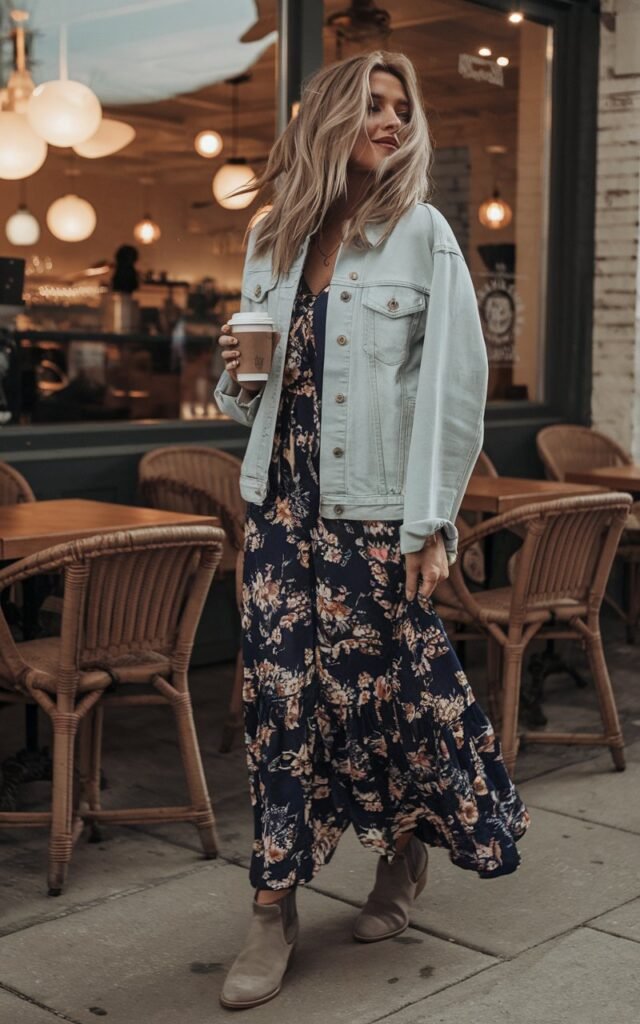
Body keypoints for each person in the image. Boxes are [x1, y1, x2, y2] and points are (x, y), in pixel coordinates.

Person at [214, 50, 530, 1011]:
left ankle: (400, 865)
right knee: (281, 708)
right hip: (280, 514)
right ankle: (272, 908)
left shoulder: (423, 233)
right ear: (334, 114)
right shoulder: (273, 236)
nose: (393, 121)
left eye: (404, 107)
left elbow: (454, 392)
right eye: (376, 105)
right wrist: (236, 373)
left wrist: (431, 525)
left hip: (375, 516)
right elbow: (254, 399)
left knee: (387, 706)